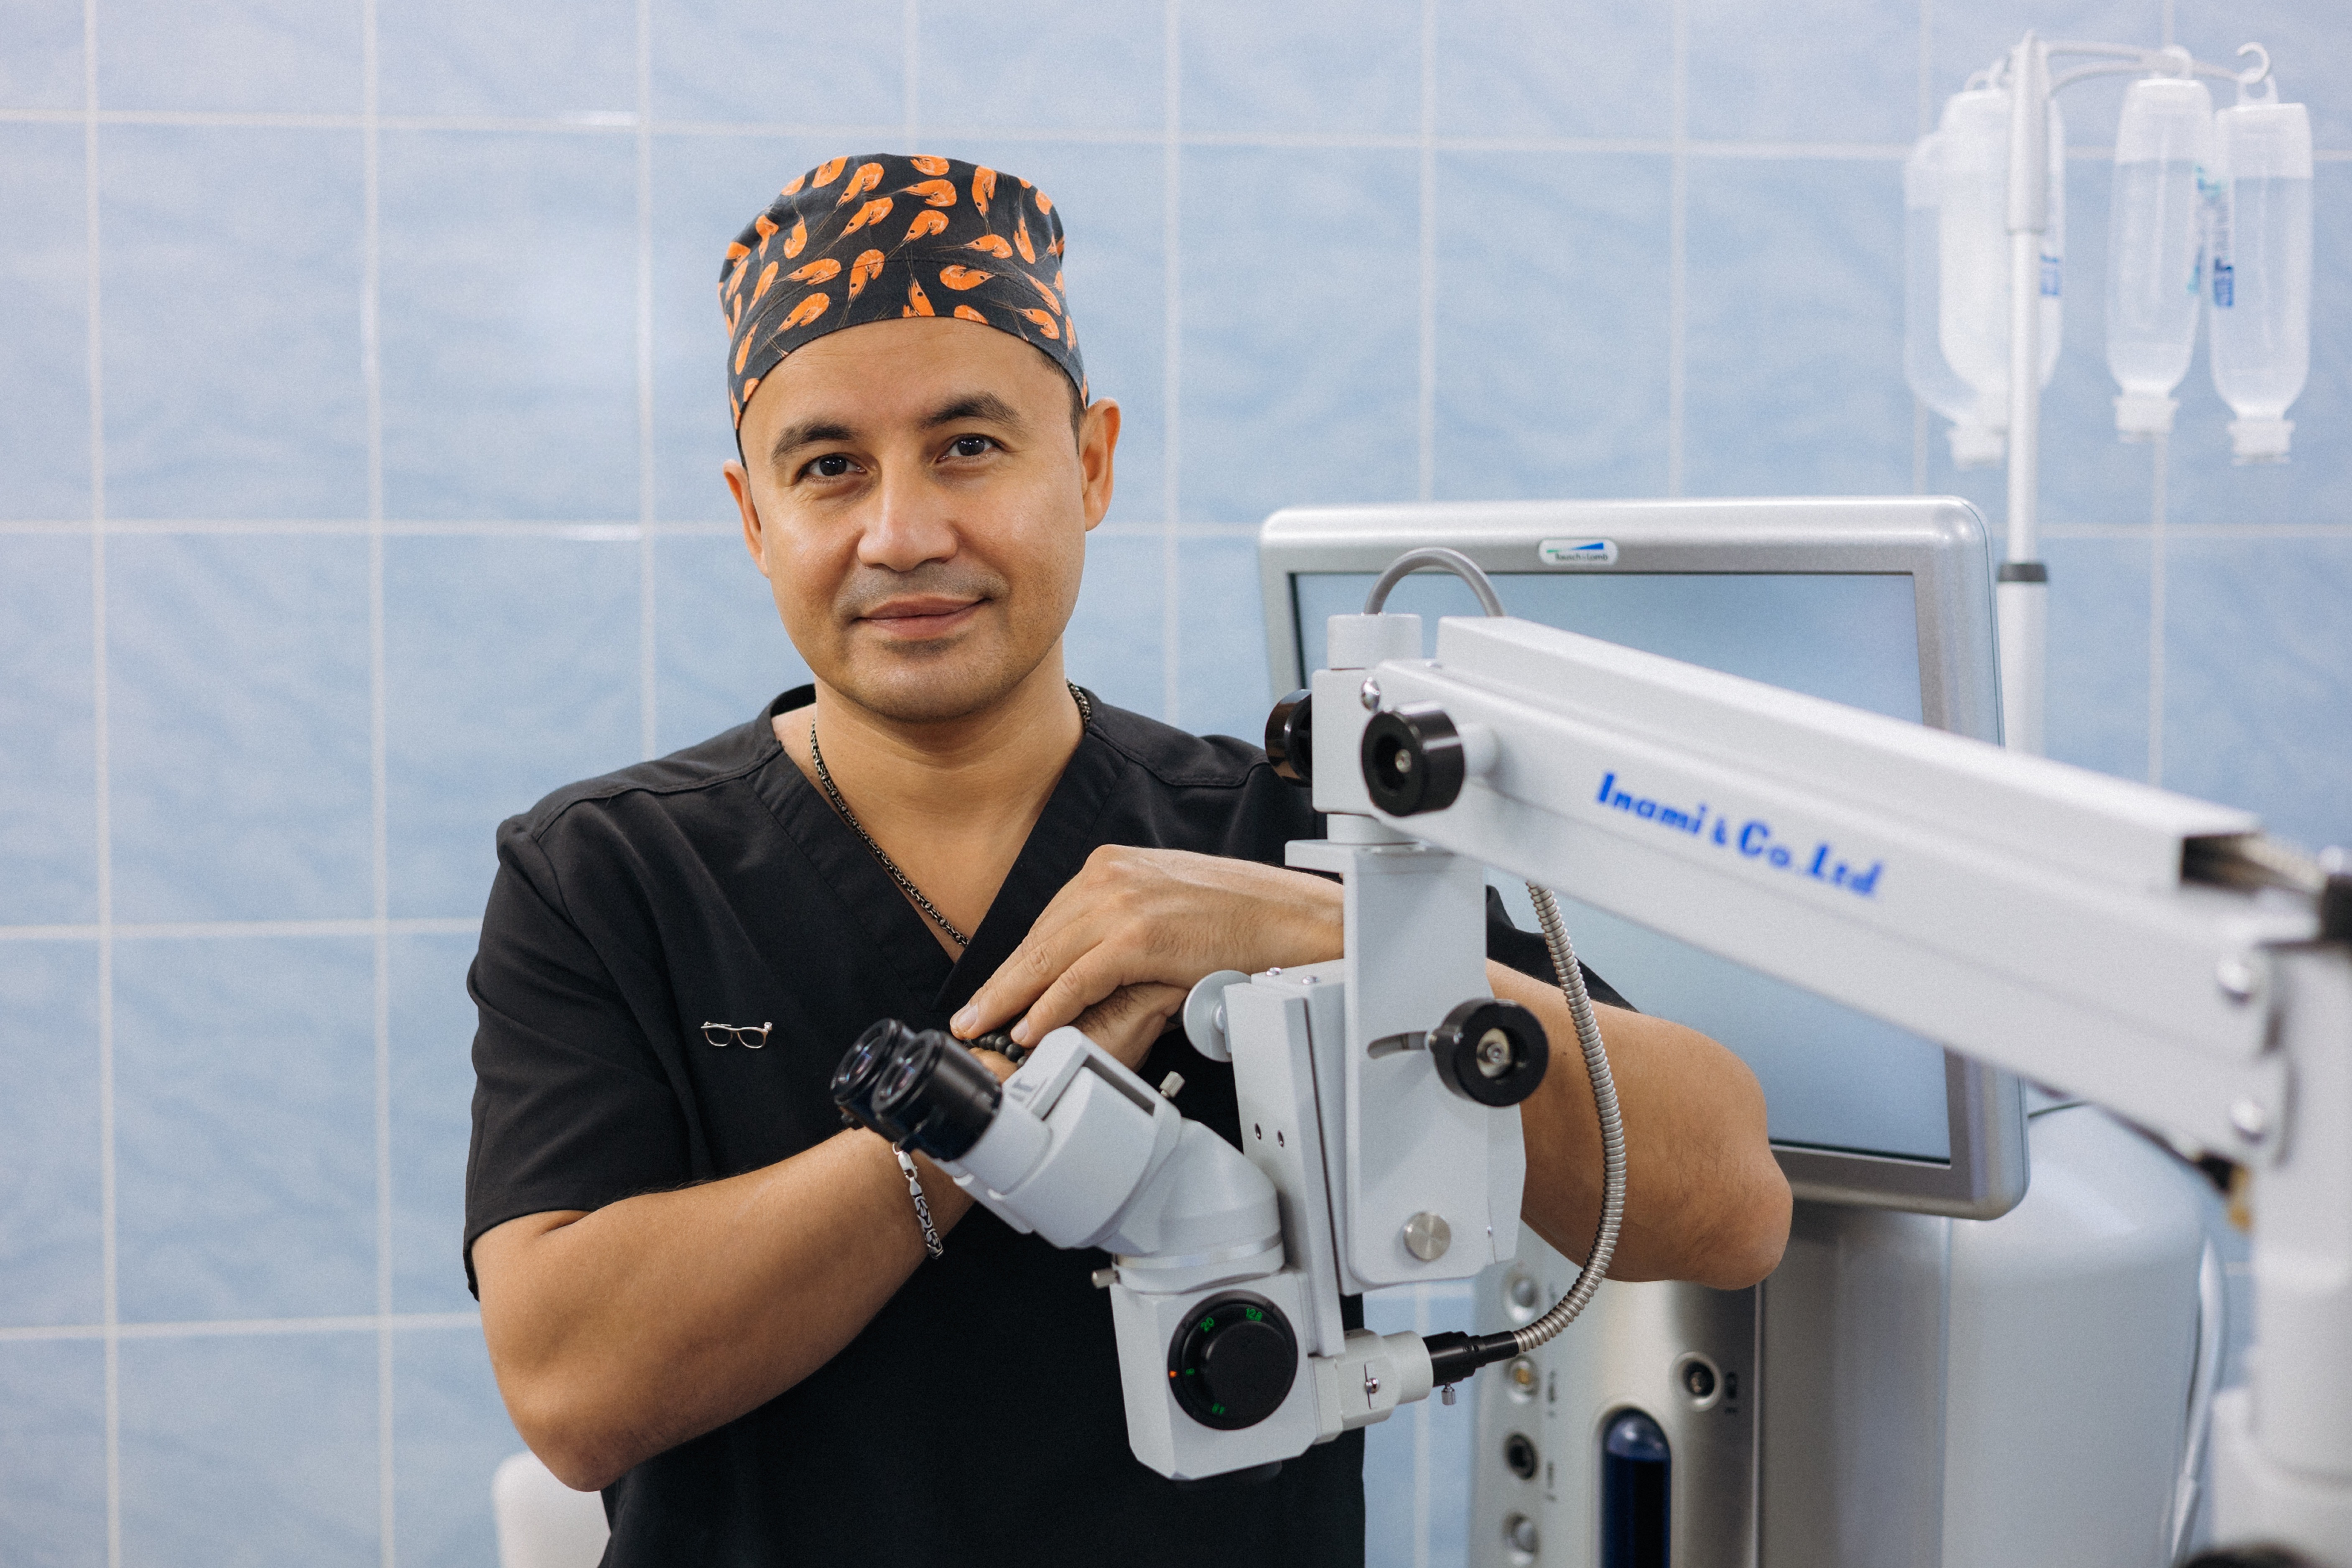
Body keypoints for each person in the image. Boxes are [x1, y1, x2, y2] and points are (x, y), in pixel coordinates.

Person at [464, 153, 1790, 1567]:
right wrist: (994, 1114)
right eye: (829, 468)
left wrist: (1317, 936)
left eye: (968, 447)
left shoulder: (1276, 840)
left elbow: (1725, 1207)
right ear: (754, 517)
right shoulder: (610, 876)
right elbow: (573, 1390)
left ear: (1089, 464)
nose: (902, 534)